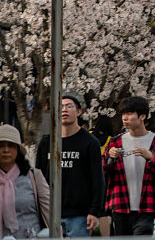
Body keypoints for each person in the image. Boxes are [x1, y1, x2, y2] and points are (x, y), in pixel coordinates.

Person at [36, 93, 103, 237]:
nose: (64, 110)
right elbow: (38, 177)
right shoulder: (46, 143)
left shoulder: (90, 142)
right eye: (60, 107)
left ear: (79, 111)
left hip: (79, 214)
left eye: (69, 106)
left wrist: (94, 211)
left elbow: (98, 179)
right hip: (50, 213)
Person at [103, 96, 155, 236]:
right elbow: (102, 170)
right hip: (120, 204)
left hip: (148, 205)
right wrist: (110, 157)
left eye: (129, 113)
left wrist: (151, 157)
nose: (125, 118)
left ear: (142, 116)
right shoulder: (115, 142)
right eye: (123, 114)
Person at [0, 124, 50, 238]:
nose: (6, 150)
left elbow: (50, 213)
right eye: (1, 146)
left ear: (18, 149)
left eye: (11, 145)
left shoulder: (34, 177)